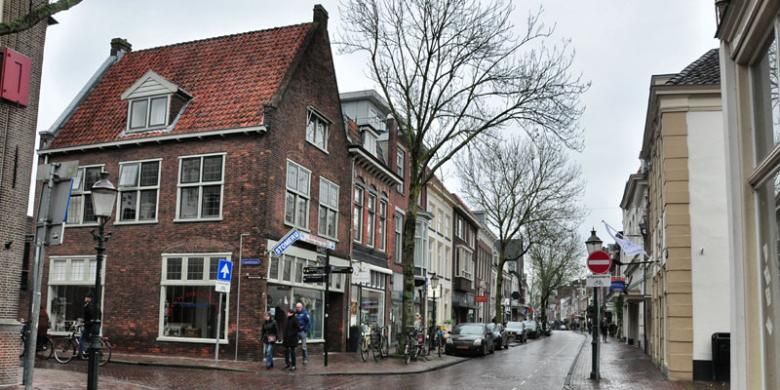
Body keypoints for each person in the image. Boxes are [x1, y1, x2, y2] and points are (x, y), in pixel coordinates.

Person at [80, 291, 98, 356]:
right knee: (87, 339)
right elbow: (87, 316)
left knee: (82, 339)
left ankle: (83, 353)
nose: (85, 298)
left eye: (86, 297)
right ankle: (85, 352)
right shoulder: (89, 305)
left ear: (90, 298)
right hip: (89, 325)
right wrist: (82, 321)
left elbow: (91, 317)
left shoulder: (90, 306)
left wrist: (85, 323)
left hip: (89, 326)